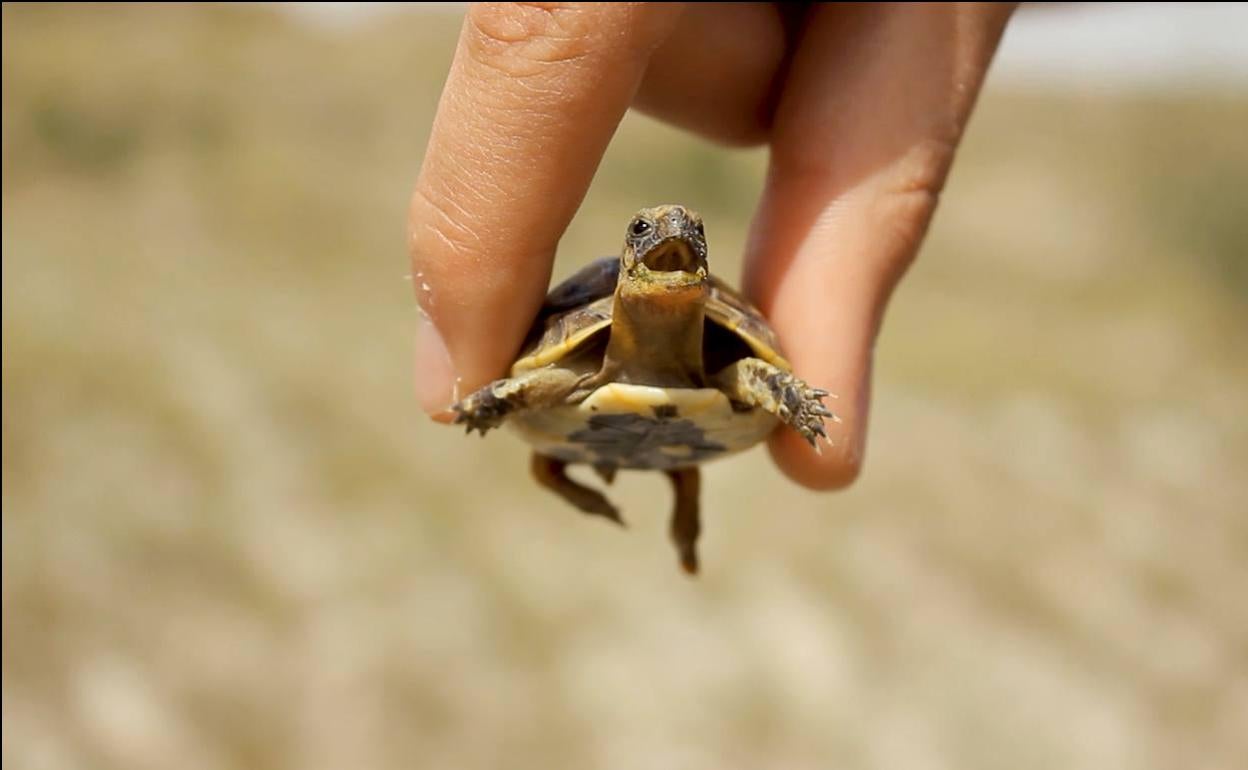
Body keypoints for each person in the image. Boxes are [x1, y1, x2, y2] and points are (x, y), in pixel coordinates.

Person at [408, 3, 1016, 490]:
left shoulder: (732, 363)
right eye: (647, 234)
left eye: (689, 235)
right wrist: (493, 399)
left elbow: (753, 375)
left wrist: (793, 397)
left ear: (700, 259)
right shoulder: (579, 360)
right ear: (629, 257)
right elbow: (535, 383)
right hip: (590, 426)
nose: (670, 238)